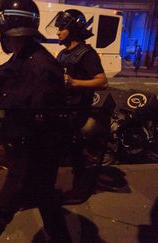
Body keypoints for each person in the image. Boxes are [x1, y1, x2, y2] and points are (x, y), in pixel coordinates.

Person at [0, 0, 71, 242]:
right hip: (29, 153)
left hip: (33, 155)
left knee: (1, 209)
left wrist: (7, 132)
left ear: (8, 31)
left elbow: (41, 120)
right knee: (47, 203)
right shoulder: (24, 55)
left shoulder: (42, 67)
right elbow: (8, 71)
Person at [52, 9, 108, 204]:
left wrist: (75, 83)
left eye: (61, 28)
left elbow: (102, 81)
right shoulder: (62, 54)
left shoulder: (87, 54)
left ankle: (81, 188)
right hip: (63, 109)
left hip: (77, 110)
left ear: (73, 30)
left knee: (74, 148)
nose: (57, 32)